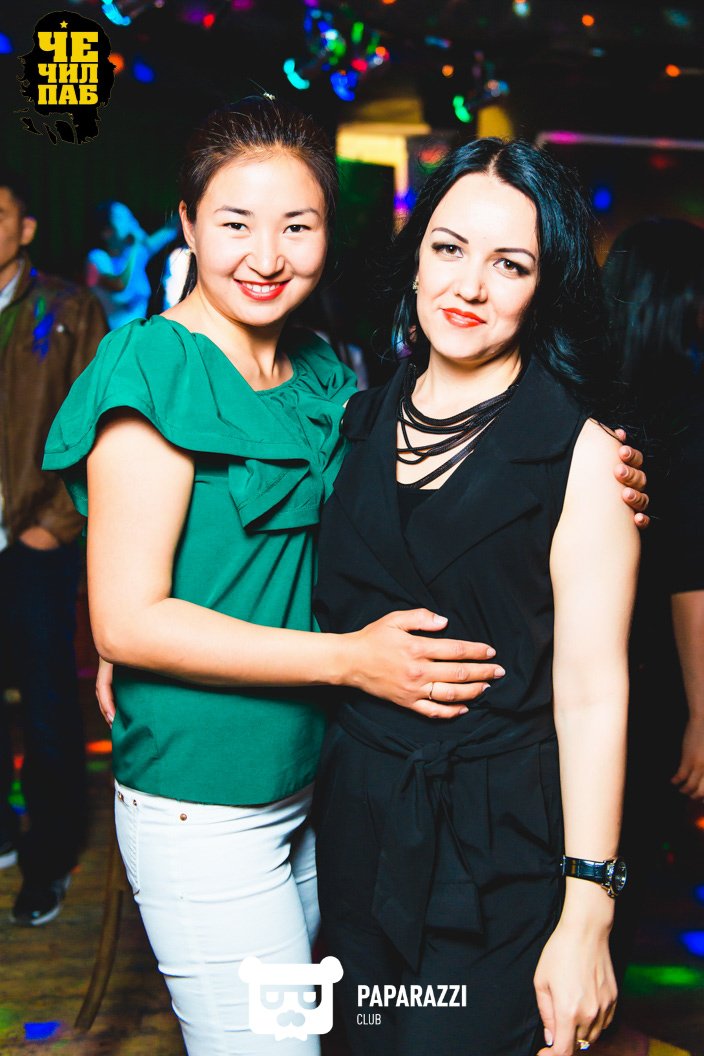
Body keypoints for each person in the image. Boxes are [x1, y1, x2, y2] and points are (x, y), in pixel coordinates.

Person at [48, 100, 648, 1055]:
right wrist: (153, 638)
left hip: (335, 801)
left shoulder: (334, 385)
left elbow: (579, 672)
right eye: (236, 223)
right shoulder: (166, 367)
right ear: (187, 223)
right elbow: (129, 613)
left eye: (298, 225)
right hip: (215, 796)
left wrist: (589, 904)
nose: (266, 255)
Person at [312, 139, 641, 1056]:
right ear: (416, 253)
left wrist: (588, 910)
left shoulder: (584, 453)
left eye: (511, 264)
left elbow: (592, 692)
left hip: (498, 849)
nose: (470, 286)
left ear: (547, 286)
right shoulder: (359, 420)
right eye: (450, 248)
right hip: (359, 824)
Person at [0, 171, 106, 925]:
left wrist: (57, 524)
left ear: (26, 228)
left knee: (44, 705)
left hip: (34, 536)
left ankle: (50, 857)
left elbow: (102, 428)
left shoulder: (68, 309)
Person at [602, 218, 704, 986]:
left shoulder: (579, 388)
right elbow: (689, 575)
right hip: (654, 671)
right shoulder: (689, 407)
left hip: (582, 659)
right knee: (627, 852)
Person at [85, 201, 179, 329]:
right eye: (120, 218)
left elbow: (169, 230)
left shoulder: (133, 255)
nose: (130, 221)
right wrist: (135, 246)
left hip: (135, 335)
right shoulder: (96, 258)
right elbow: (119, 285)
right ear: (107, 231)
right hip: (112, 336)